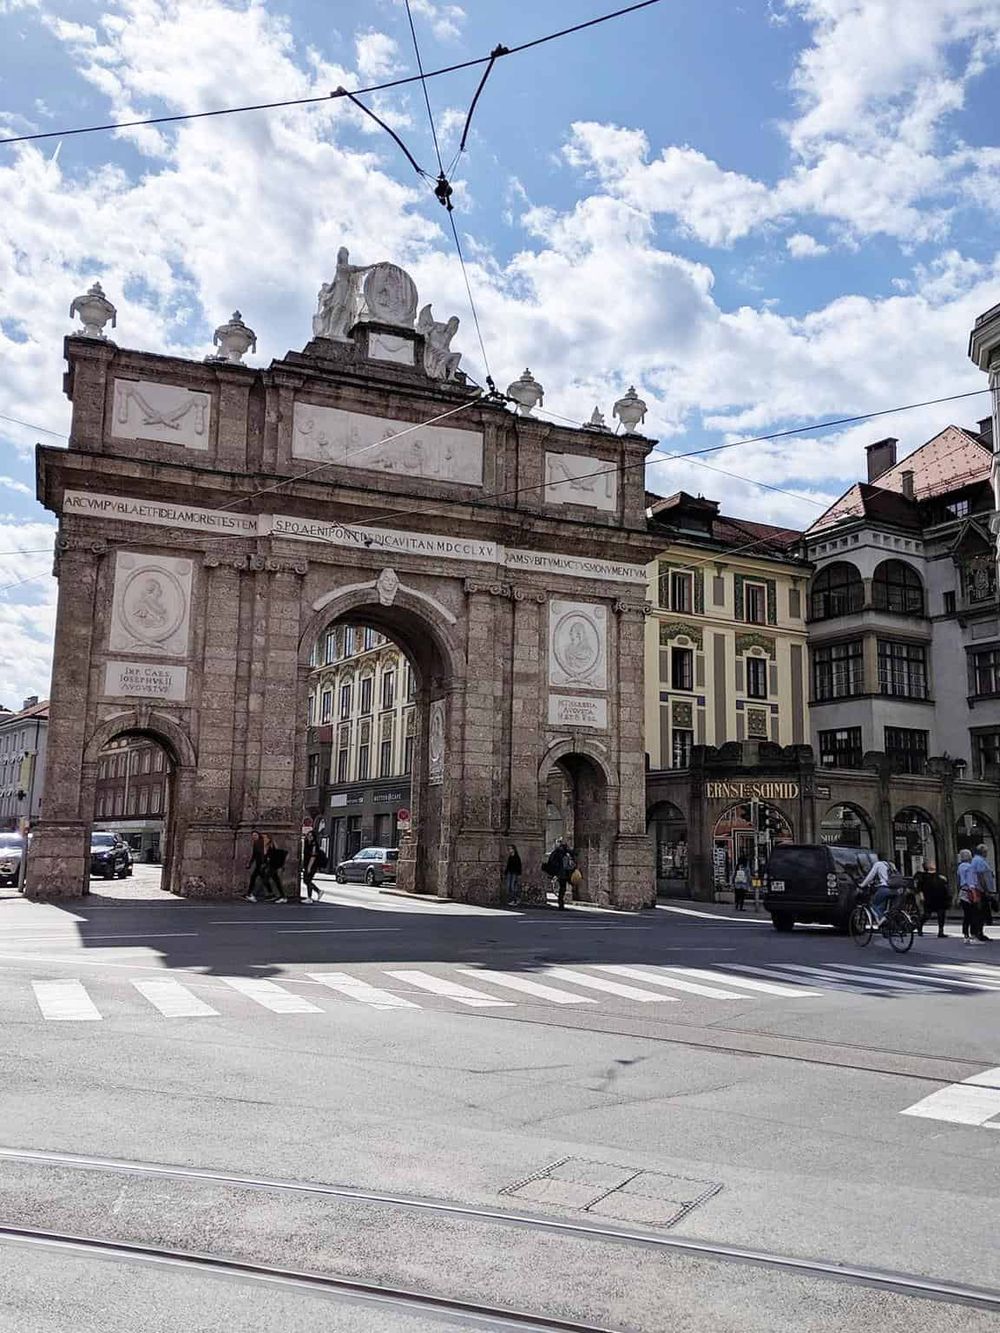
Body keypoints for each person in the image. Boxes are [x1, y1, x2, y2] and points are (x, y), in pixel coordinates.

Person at [914, 862, 950, 938]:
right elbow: (919, 888)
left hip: (940, 898)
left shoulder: (940, 876)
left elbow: (945, 887)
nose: (933, 865)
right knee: (927, 914)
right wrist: (921, 896)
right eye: (931, 864)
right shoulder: (923, 876)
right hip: (929, 898)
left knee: (941, 914)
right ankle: (919, 925)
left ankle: (941, 931)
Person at [958, 847, 986, 944]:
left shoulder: (960, 867)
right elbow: (971, 883)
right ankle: (973, 936)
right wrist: (975, 895)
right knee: (974, 915)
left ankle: (966, 936)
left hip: (963, 892)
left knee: (967, 916)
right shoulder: (969, 868)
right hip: (970, 893)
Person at [859, 852, 895, 925]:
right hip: (894, 889)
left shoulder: (878, 864)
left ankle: (881, 920)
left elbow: (870, 877)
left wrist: (862, 885)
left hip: (884, 888)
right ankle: (887, 925)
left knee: (873, 905)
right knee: (882, 907)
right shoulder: (891, 865)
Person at [971, 844, 995, 939]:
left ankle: (977, 932)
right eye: (986, 851)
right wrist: (986, 890)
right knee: (981, 912)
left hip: (979, 889)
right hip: (980, 890)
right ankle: (978, 932)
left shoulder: (977, 860)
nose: (987, 853)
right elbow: (981, 876)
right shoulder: (979, 861)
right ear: (982, 852)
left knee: (980, 912)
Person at [262, 833, 287, 903]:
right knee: (276, 881)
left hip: (272, 866)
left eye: (265, 838)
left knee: (265, 879)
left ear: (269, 838)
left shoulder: (271, 845)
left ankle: (273, 894)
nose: (263, 839)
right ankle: (282, 896)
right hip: (270, 865)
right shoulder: (267, 845)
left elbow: (271, 855)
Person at [302, 829, 326, 903]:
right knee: (306, 880)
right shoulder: (307, 843)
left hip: (312, 865)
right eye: (308, 835)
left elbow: (313, 856)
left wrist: (309, 867)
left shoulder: (314, 844)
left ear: (313, 837)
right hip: (307, 864)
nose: (309, 837)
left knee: (307, 880)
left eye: (311, 836)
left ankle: (309, 898)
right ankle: (318, 891)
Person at [245, 829, 268, 902]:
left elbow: (264, 854)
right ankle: (250, 893)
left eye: (255, 835)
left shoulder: (262, 843)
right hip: (259, 864)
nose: (254, 837)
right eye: (252, 836)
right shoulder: (256, 843)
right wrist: (250, 863)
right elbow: (254, 855)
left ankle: (251, 894)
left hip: (262, 865)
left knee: (255, 879)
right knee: (259, 879)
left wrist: (264, 863)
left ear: (258, 835)